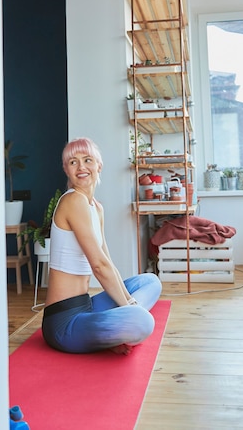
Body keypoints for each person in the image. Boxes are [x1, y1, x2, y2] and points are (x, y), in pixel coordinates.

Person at [42, 137, 162, 355]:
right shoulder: (72, 201)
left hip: (86, 306)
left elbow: (107, 262)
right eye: (73, 162)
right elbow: (98, 266)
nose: (81, 167)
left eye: (87, 160)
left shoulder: (96, 208)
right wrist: (130, 307)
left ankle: (118, 330)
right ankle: (120, 329)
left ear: (99, 165)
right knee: (142, 321)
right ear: (66, 170)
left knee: (150, 281)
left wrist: (128, 301)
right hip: (63, 322)